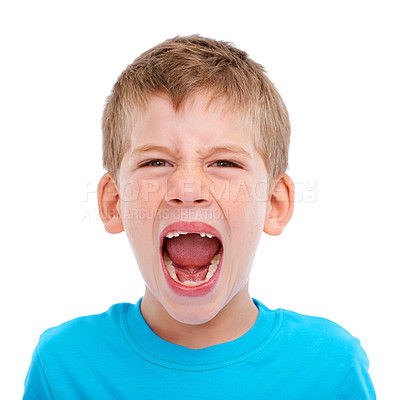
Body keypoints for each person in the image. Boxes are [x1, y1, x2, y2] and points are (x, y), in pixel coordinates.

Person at [23, 35, 376, 399]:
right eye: (155, 162)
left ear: (274, 203)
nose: (188, 187)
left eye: (224, 163)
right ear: (114, 202)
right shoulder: (64, 366)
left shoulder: (331, 368)